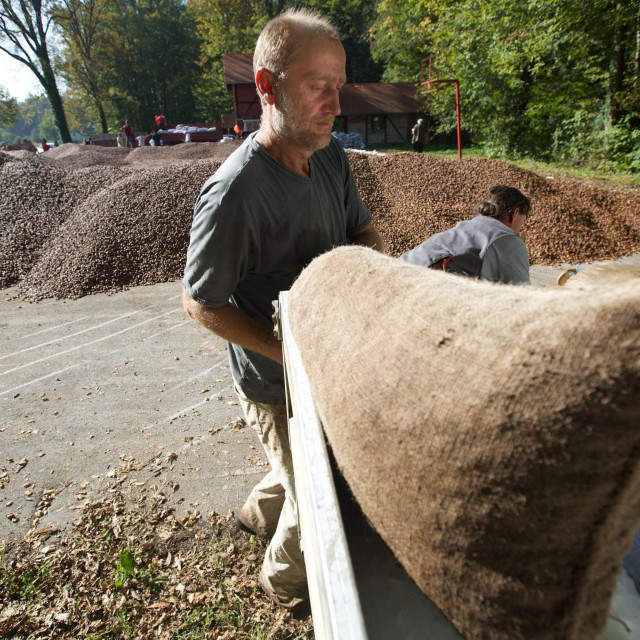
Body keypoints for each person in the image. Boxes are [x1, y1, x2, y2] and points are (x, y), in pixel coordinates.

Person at [182, 7, 384, 610]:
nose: (335, 103)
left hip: (325, 358)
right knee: (313, 499)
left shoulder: (329, 156)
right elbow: (200, 303)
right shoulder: (235, 193)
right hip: (274, 380)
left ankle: (251, 513)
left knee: (303, 457)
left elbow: (363, 230)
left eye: (339, 85)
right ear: (267, 87)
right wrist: (291, 353)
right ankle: (282, 582)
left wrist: (375, 278)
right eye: (318, 86)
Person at [400, 185, 531, 285]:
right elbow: (522, 296)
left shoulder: (464, 227)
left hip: (398, 275)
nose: (520, 228)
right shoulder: (507, 240)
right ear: (515, 213)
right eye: (523, 219)